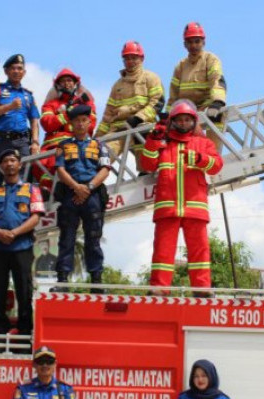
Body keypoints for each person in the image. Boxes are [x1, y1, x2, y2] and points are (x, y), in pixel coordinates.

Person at [140, 100, 223, 295]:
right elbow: (147, 164)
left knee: (199, 251)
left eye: (187, 120)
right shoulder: (162, 144)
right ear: (172, 121)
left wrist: (198, 159)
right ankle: (159, 288)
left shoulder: (204, 143)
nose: (184, 123)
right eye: (180, 119)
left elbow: (217, 165)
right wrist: (153, 139)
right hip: (167, 208)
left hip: (195, 208)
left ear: (194, 122)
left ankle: (202, 289)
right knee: (162, 251)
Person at [0, 150, 44, 338]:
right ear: (1, 166)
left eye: (13, 160)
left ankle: (25, 331)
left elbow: (36, 217)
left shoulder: (32, 189)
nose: (9, 164)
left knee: (24, 289)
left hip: (22, 247)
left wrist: (14, 233)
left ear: (20, 165)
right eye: (5, 161)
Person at [53, 105, 111, 290]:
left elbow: (105, 169)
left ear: (89, 122)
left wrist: (88, 187)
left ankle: (96, 281)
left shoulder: (99, 145)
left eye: (83, 120)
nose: (80, 123)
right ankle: (62, 280)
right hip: (71, 195)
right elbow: (60, 170)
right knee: (67, 238)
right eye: (76, 120)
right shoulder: (63, 146)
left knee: (93, 238)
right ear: (71, 123)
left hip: (92, 195)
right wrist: (76, 187)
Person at [95, 41, 164, 172]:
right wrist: (96, 138)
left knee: (145, 156)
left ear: (142, 58)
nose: (130, 61)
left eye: (134, 58)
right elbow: (107, 116)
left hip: (142, 126)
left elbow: (157, 103)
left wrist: (138, 118)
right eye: (127, 58)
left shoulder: (151, 78)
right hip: (118, 130)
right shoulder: (117, 86)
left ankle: (145, 173)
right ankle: (91, 184)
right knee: (101, 157)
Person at [35, 68, 96, 198]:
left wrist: (65, 116)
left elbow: (91, 123)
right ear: (57, 85)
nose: (67, 83)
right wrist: (66, 115)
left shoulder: (85, 102)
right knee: (39, 163)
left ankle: (56, 190)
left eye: (69, 80)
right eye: (62, 81)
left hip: (75, 146)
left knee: (57, 161)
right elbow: (46, 123)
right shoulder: (50, 105)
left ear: (75, 83)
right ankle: (47, 191)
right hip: (50, 148)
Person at [168, 22, 227, 151]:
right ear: (185, 44)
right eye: (190, 42)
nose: (193, 45)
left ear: (203, 42)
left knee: (217, 115)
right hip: (186, 109)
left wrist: (217, 102)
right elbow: (173, 95)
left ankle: (213, 153)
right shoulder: (180, 66)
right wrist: (168, 113)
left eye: (197, 41)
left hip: (207, 106)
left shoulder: (211, 60)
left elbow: (217, 80)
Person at [0, 54, 40, 166]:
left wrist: (35, 142)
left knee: (24, 174)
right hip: (0, 140)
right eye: (13, 68)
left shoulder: (27, 95)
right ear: (6, 71)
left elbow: (34, 119)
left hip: (22, 141)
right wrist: (9, 107)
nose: (16, 71)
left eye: (19, 68)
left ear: (24, 72)